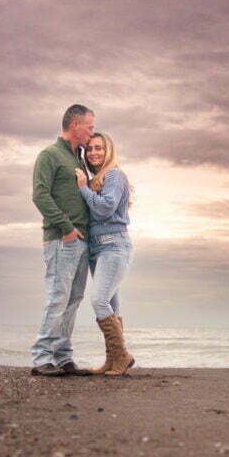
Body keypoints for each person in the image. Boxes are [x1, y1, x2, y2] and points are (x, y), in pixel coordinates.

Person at [30, 104, 95, 376]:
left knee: (74, 299)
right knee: (58, 297)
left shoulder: (78, 159)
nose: (92, 133)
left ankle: (63, 357)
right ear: (75, 125)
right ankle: (41, 357)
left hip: (81, 240)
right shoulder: (50, 155)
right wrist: (66, 228)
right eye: (90, 127)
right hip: (61, 238)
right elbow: (40, 195)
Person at [75, 132, 134, 376]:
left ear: (108, 150)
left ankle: (123, 356)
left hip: (113, 244)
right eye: (89, 149)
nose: (93, 153)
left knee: (99, 301)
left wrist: (82, 189)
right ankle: (113, 360)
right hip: (98, 246)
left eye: (99, 148)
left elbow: (106, 207)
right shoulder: (99, 179)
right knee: (111, 305)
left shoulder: (114, 175)